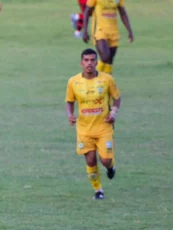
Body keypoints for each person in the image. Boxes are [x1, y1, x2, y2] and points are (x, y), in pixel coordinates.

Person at [66, 49, 121, 200]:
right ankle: (98, 190)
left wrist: (114, 112)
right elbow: (70, 101)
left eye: (92, 60)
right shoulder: (74, 82)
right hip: (84, 129)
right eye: (86, 60)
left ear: (97, 62)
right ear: (81, 63)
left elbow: (117, 98)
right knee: (90, 160)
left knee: (105, 160)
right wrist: (70, 115)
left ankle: (110, 167)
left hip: (104, 127)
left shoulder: (107, 79)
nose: (89, 63)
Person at [82, 0, 133, 73]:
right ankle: (93, 76)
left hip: (113, 31)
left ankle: (106, 82)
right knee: (105, 57)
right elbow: (87, 11)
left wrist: (129, 30)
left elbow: (122, 12)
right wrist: (85, 31)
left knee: (109, 61)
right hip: (99, 30)